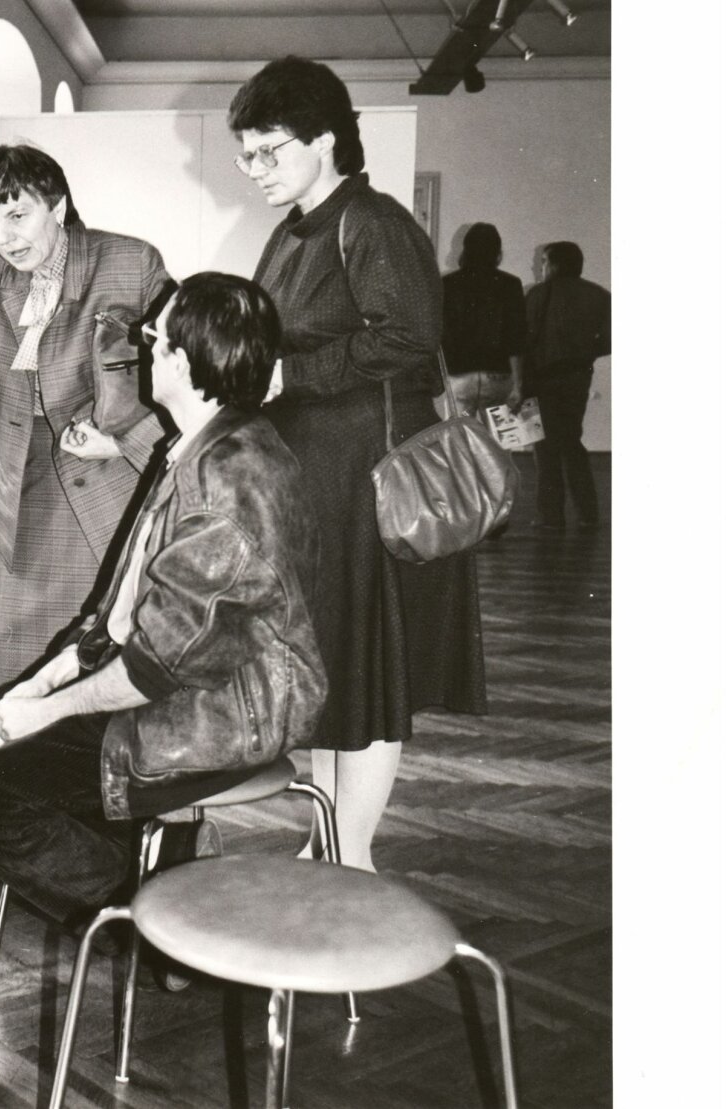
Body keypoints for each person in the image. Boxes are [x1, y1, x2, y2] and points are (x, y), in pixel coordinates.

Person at [0, 272, 326, 928]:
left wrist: (46, 712)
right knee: (9, 769)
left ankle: (152, 916)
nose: (145, 345)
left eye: (154, 336)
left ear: (182, 363)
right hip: (191, 688)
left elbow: (154, 667)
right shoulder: (205, 443)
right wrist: (50, 678)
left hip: (221, 712)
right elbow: (121, 612)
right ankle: (161, 872)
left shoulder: (228, 480)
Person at [227, 56, 486, 871]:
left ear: (325, 139)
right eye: (246, 153)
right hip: (319, 481)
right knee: (336, 669)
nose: (254, 168)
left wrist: (292, 375)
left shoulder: (371, 221)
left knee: (367, 672)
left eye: (268, 149)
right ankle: (328, 841)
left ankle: (353, 855)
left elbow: (409, 335)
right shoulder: (294, 229)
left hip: (368, 482)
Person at [0, 144, 174, 692]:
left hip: (114, 484)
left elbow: (183, 366)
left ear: (57, 205)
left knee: (113, 656)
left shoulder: (131, 263)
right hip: (25, 490)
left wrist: (126, 441)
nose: (5, 237)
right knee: (27, 665)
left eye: (18, 215)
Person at [524, 241, 610, 531]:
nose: (539, 267)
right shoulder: (599, 295)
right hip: (578, 375)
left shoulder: (537, 294)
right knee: (572, 439)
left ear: (556, 265)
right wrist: (586, 351)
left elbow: (524, 338)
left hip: (541, 377)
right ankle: (587, 511)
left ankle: (550, 515)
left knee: (544, 445)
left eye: (544, 261)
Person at [440, 222, 527, 418]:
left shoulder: (447, 284)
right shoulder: (511, 284)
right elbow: (516, 337)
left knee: (460, 434)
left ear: (465, 249)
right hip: (498, 373)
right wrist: (518, 384)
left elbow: (442, 332)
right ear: (498, 252)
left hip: (459, 373)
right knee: (498, 434)